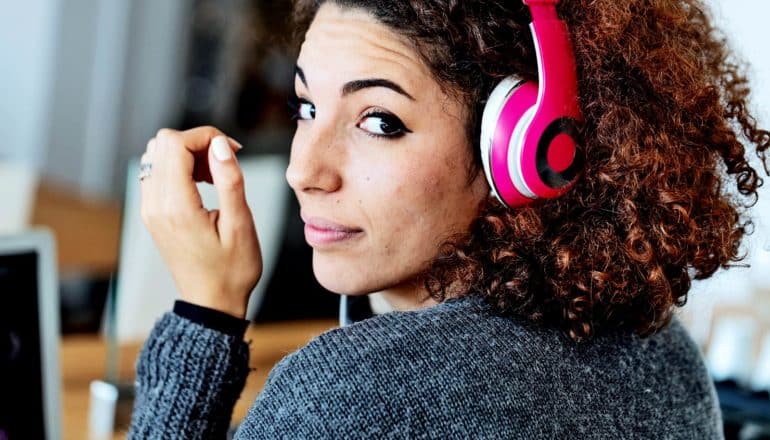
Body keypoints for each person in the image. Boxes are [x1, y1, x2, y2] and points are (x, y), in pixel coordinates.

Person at [129, 0, 770, 438]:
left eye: (379, 122)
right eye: (305, 107)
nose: (305, 171)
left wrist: (206, 313)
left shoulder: (350, 396)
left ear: (530, 150)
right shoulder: (663, 354)